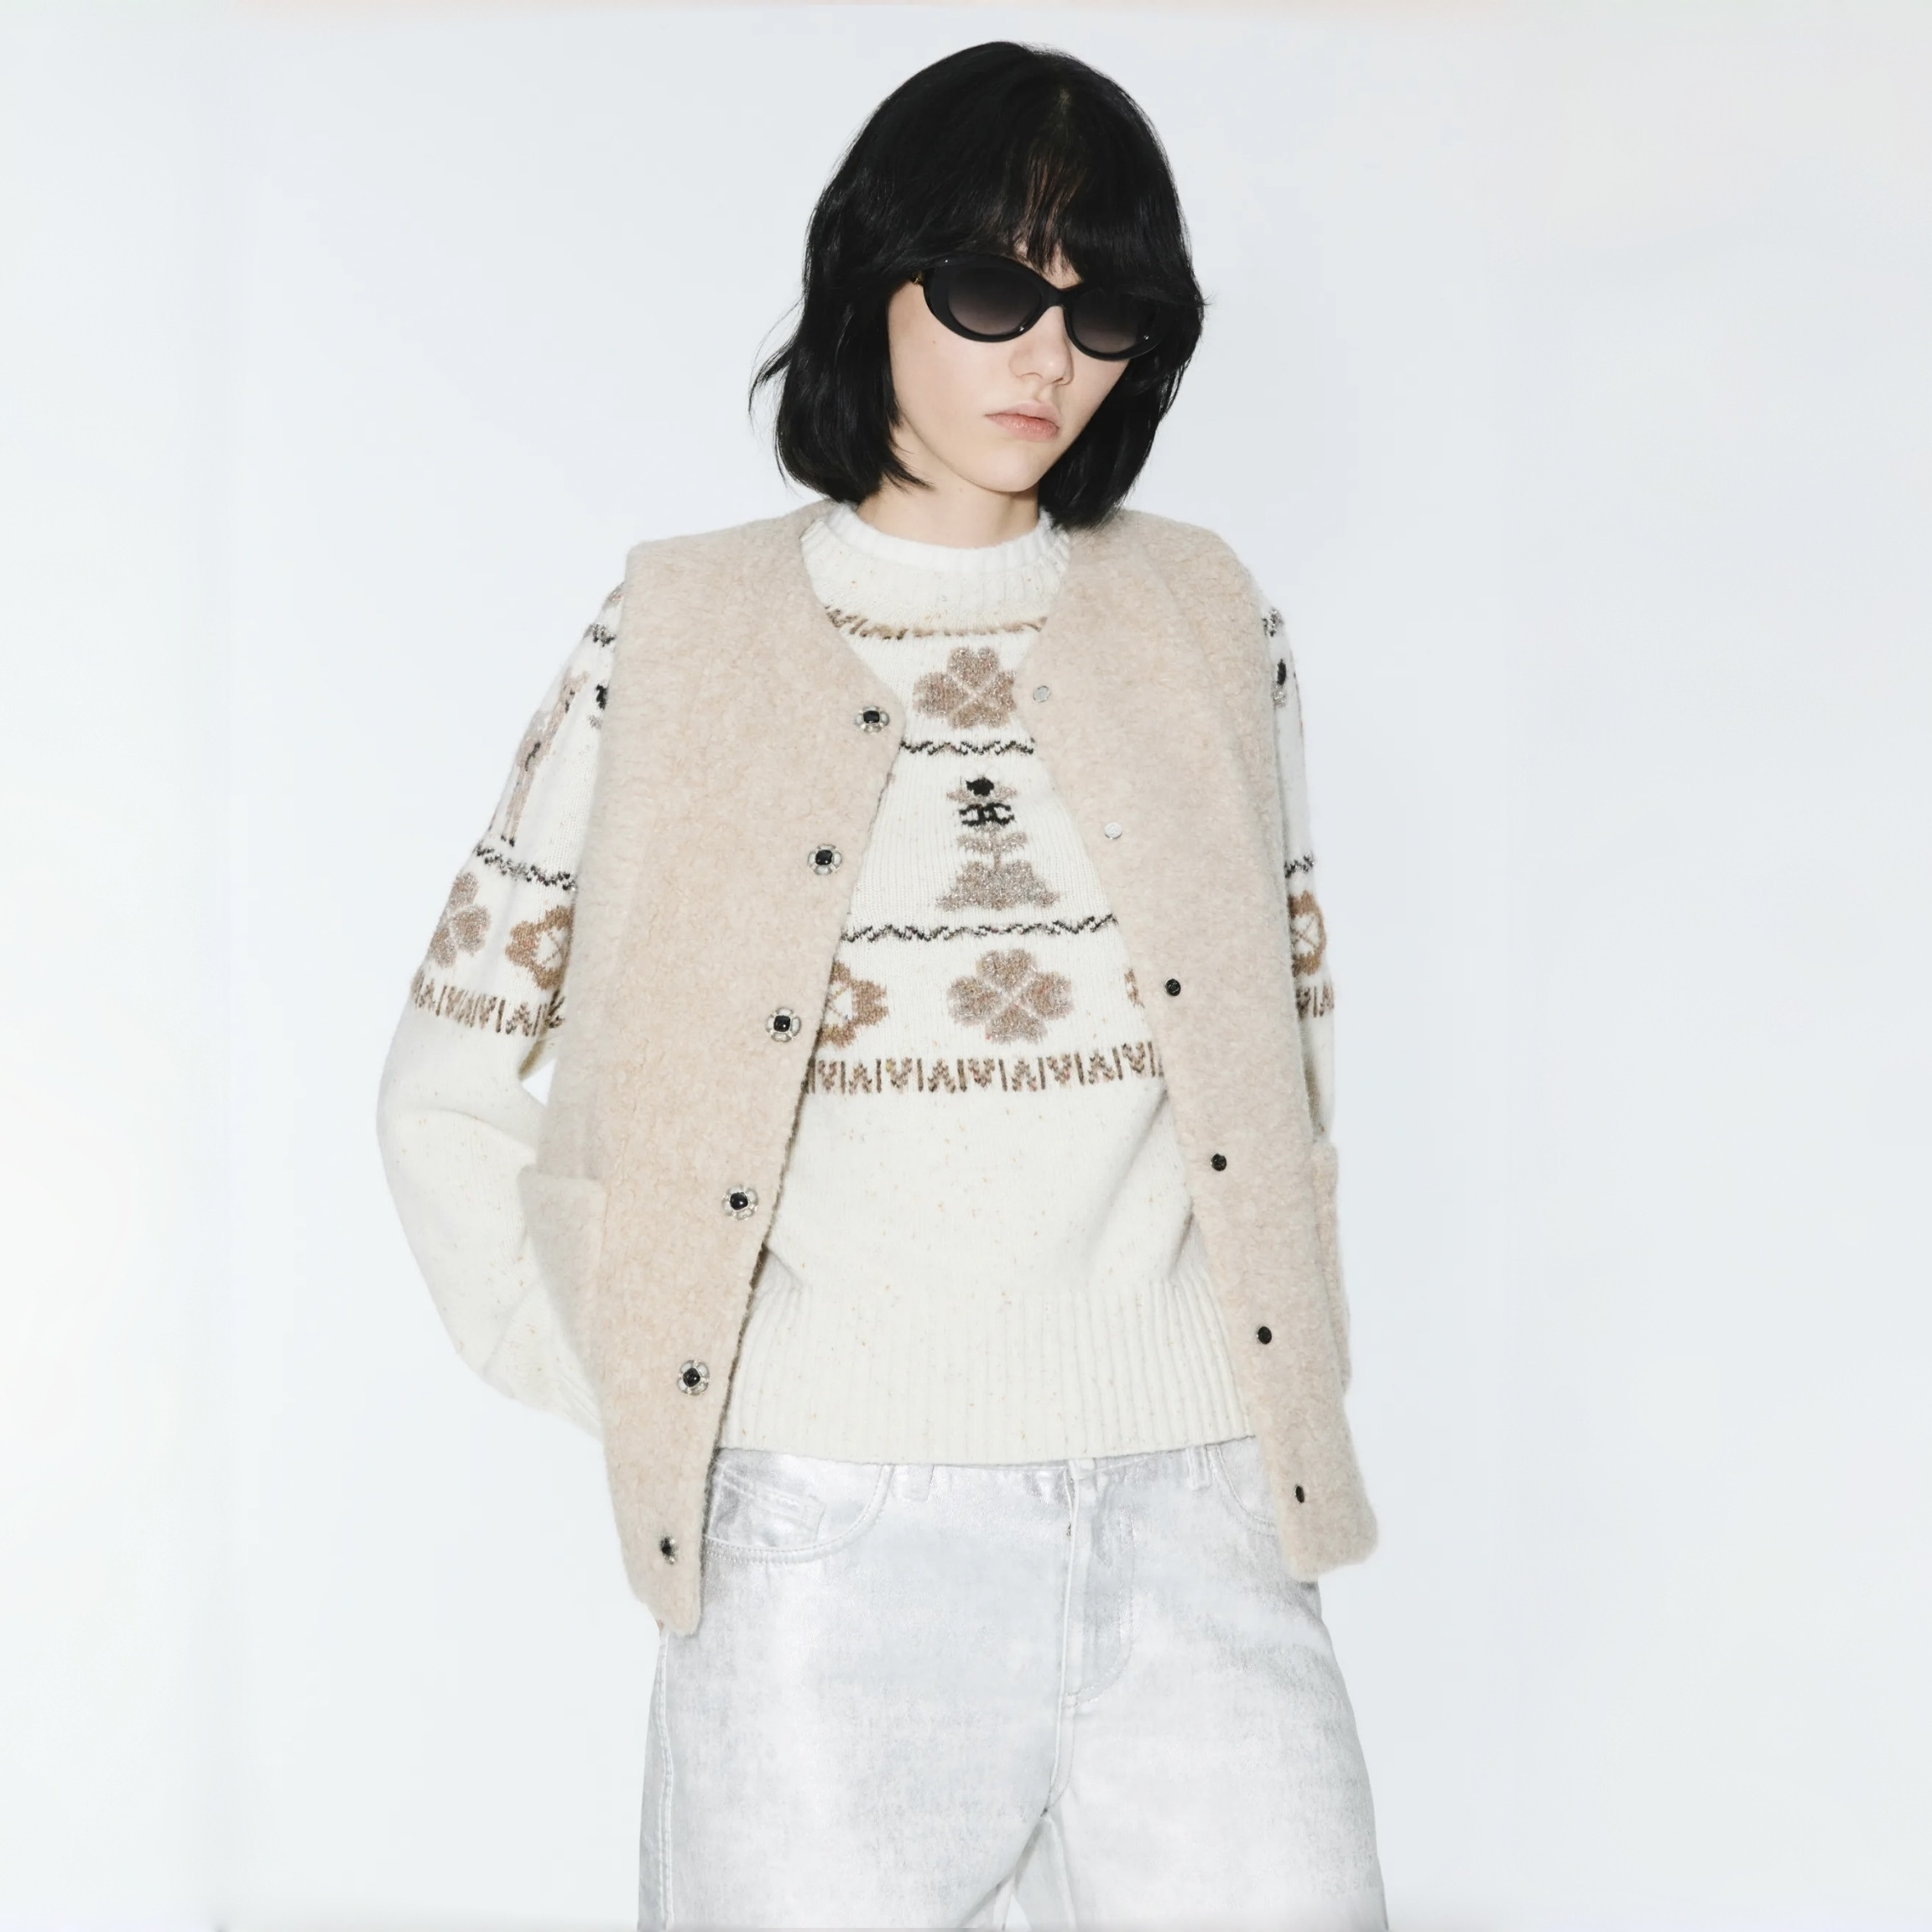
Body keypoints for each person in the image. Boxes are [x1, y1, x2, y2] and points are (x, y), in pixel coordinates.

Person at [378, 39, 1384, 1932]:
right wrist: (688, 1395)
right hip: (825, 1540)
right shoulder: (675, 633)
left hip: (1206, 1514)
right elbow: (448, 1088)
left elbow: (1293, 1057)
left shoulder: (1207, 616)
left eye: (1106, 310)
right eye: (997, 287)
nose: (1047, 358)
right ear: (877, 278)